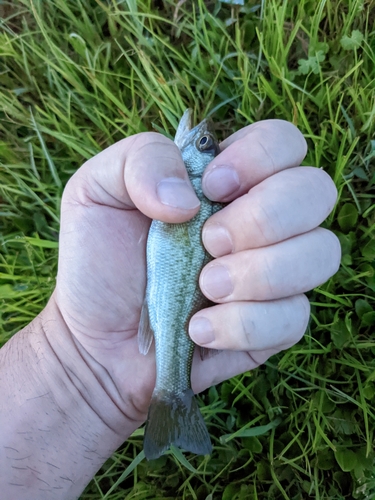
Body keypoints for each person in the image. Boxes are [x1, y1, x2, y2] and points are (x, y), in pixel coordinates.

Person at [0, 119, 341, 499]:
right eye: (207, 140)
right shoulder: (171, 190)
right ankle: (173, 397)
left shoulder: (196, 188)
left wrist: (80, 374)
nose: (197, 133)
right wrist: (75, 361)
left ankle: (173, 393)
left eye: (204, 141)